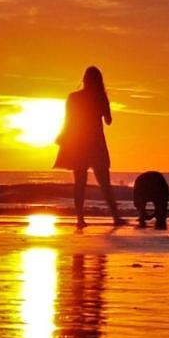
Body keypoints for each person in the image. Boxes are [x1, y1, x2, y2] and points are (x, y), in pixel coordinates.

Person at [54, 66, 125, 228]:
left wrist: (62, 136)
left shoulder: (73, 97)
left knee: (80, 183)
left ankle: (80, 219)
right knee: (105, 183)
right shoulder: (100, 97)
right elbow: (108, 120)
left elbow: (68, 120)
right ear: (99, 81)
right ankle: (115, 217)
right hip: (96, 143)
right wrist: (104, 102)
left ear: (84, 79)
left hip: (78, 143)